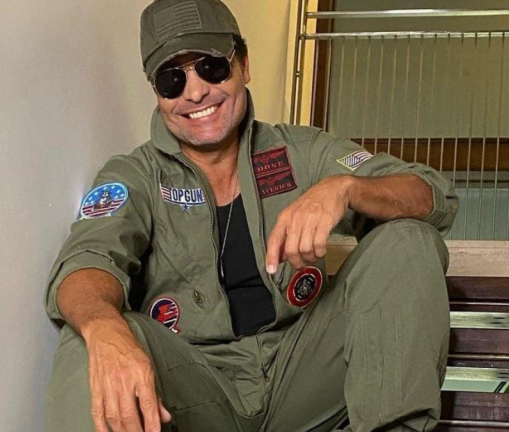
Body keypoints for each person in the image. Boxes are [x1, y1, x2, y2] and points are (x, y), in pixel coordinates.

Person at [44, 0, 458, 431]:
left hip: (302, 378)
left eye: (212, 67)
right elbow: (86, 262)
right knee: (89, 337)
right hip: (199, 392)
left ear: (244, 65)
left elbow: (432, 195)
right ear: (157, 93)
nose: (195, 92)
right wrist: (105, 329)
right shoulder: (135, 175)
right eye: (171, 79)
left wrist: (347, 187)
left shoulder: (301, 152)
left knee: (407, 239)